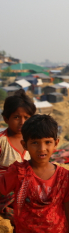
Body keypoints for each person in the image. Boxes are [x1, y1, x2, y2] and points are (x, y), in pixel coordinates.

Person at [0, 114, 69, 233]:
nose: (42, 148)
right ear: (24, 144)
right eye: (35, 142)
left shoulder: (64, 176)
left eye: (47, 142)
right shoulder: (18, 172)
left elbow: (67, 210)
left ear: (56, 143)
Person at [0, 89, 36, 221]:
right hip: (6, 193)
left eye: (26, 118)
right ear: (5, 118)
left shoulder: (35, 141)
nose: (22, 122)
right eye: (16, 117)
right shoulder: (2, 141)